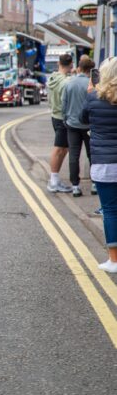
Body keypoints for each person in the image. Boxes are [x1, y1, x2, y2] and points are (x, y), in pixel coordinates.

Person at [80, 58, 117, 273]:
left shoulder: (94, 96)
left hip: (104, 164)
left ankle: (114, 260)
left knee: (111, 211)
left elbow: (82, 118)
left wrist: (90, 91)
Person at [62, 56, 94, 197]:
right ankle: (94, 184)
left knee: (74, 155)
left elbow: (64, 104)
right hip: (88, 125)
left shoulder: (69, 83)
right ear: (90, 69)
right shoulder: (91, 85)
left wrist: (66, 119)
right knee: (92, 154)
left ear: (79, 67)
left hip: (72, 124)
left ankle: (75, 186)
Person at [46, 53, 74, 193]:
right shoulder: (66, 82)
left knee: (63, 148)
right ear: (71, 64)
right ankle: (54, 181)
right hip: (62, 117)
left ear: (59, 63)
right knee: (59, 149)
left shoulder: (53, 78)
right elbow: (66, 103)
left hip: (54, 115)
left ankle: (54, 180)